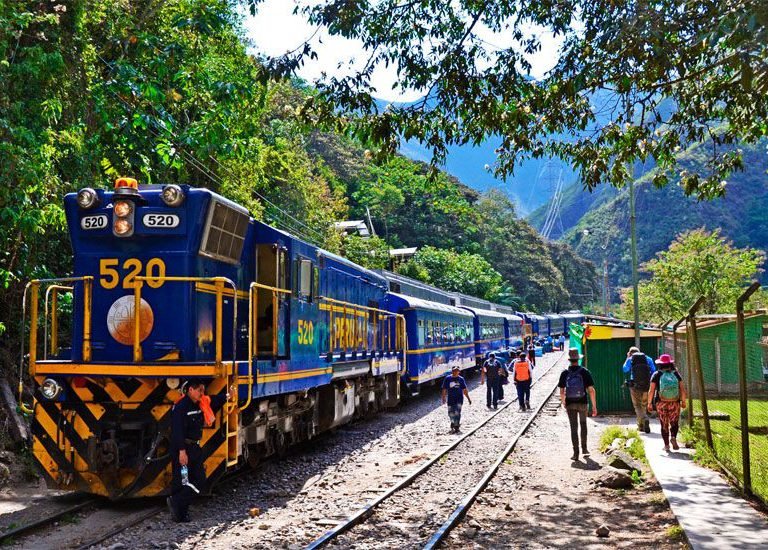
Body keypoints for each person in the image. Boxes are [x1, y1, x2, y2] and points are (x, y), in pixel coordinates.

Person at [167, 380, 229, 522]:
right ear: (190, 390)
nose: (202, 394)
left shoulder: (201, 403)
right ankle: (180, 514)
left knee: (199, 480)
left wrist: (227, 395)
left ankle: (177, 501)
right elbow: (177, 431)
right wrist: (182, 451)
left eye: (203, 391)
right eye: (199, 391)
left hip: (194, 448)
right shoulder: (180, 407)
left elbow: (214, 400)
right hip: (183, 449)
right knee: (182, 480)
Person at [559, 348, 598, 461]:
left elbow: (562, 391)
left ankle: (575, 453)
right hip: (582, 402)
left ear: (570, 360)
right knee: (583, 425)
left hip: (570, 403)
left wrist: (564, 402)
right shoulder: (584, 372)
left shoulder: (564, 372)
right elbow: (591, 390)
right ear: (578, 359)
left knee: (573, 428)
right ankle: (584, 449)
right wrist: (594, 406)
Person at [647, 354, 687, 452]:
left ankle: (666, 445)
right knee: (674, 422)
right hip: (675, 402)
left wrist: (649, 403)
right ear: (670, 363)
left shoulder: (656, 374)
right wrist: (683, 401)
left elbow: (651, 390)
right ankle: (673, 436)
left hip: (661, 403)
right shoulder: (676, 374)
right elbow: (682, 389)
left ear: (660, 364)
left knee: (664, 424)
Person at [622, 346, 656, 433]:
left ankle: (644, 420)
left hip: (635, 385)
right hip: (646, 385)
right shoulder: (648, 359)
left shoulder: (630, 359)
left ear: (630, 353)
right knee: (643, 404)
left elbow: (625, 369)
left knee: (637, 405)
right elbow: (653, 371)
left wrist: (627, 357)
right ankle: (641, 425)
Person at [441, 366, 472, 433]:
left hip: (459, 399)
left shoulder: (461, 379)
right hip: (450, 399)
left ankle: (456, 426)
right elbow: (444, 388)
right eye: (454, 371)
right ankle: (453, 422)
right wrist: (443, 397)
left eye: (457, 371)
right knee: (450, 413)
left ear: (459, 372)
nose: (455, 372)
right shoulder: (447, 378)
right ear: (452, 371)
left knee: (457, 412)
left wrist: (468, 398)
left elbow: (465, 389)